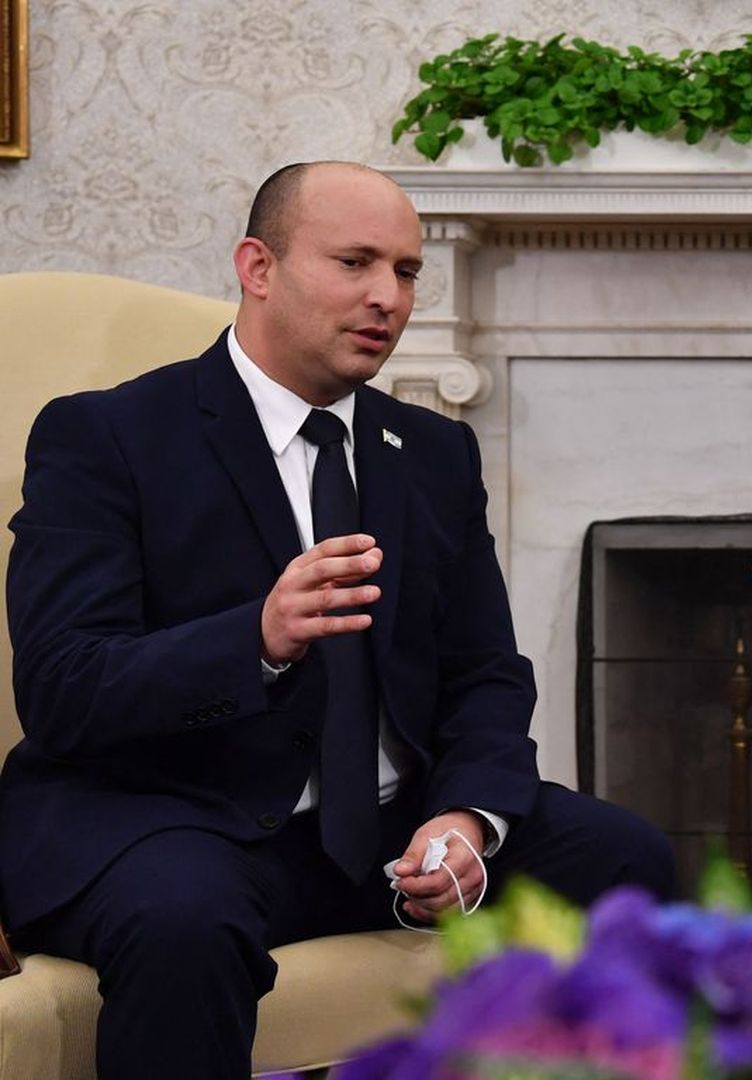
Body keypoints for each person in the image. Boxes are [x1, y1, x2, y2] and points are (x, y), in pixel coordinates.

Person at [0, 161, 676, 1077]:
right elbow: (63, 688)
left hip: (386, 834)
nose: (385, 298)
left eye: (404, 272)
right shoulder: (107, 436)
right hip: (174, 818)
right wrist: (258, 639)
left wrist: (466, 820)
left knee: (625, 857)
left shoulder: (432, 451)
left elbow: (483, 672)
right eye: (355, 262)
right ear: (258, 266)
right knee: (185, 921)